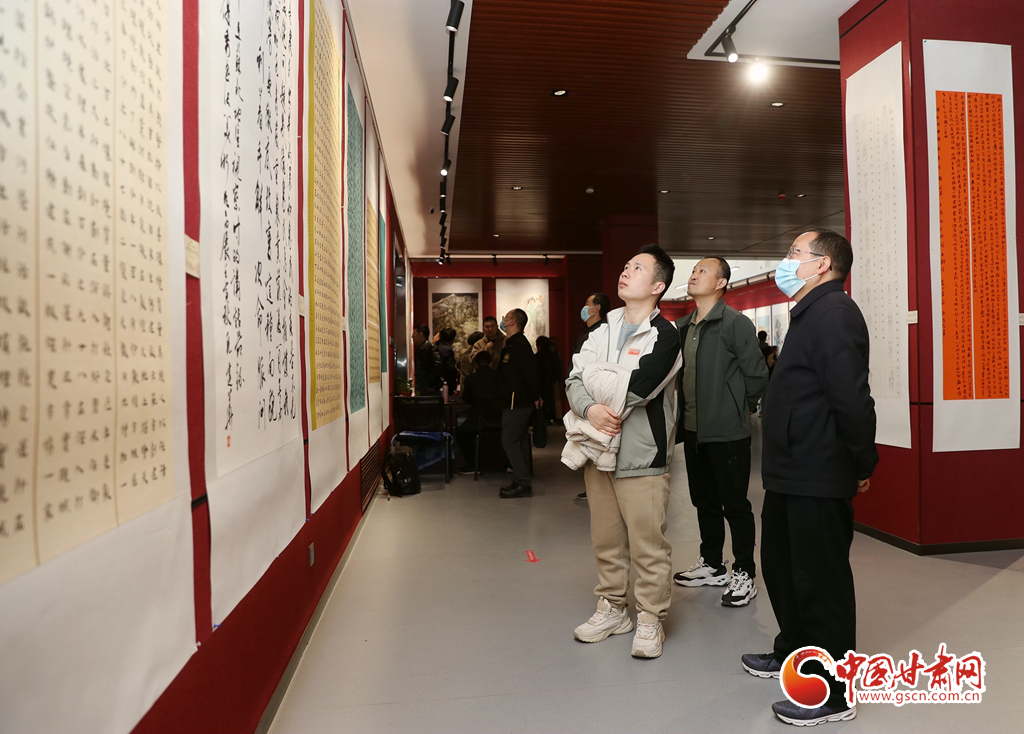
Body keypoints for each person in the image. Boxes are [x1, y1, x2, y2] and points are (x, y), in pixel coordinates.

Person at [741, 228, 877, 727]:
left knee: (820, 581)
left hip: (818, 470)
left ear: (821, 265)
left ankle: (833, 692)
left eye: (794, 252)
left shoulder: (835, 313)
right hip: (789, 470)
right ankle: (794, 652)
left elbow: (852, 399)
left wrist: (862, 462)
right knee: (782, 567)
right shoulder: (809, 312)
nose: (786, 260)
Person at [566, 244, 681, 659]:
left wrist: (599, 385)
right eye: (627, 265)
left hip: (641, 454)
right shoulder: (601, 330)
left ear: (658, 286)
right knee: (607, 540)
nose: (626, 271)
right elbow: (574, 378)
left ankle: (650, 618)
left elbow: (639, 387)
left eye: (638, 268)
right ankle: (613, 609)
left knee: (648, 545)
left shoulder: (666, 336)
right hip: (598, 447)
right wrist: (590, 409)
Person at [672, 257, 768, 608]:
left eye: (702, 271)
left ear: (721, 283)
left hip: (728, 433)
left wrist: (738, 408)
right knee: (704, 501)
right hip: (693, 430)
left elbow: (757, 376)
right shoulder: (683, 326)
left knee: (735, 505)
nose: (694, 274)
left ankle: (744, 572)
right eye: (693, 270)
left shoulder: (735, 323)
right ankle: (712, 563)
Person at [495, 308, 541, 498]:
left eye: (506, 318)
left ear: (513, 321)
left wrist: (536, 395)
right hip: (513, 401)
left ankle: (523, 482)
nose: (503, 321)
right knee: (519, 441)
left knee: (508, 440)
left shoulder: (519, 345)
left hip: (518, 402)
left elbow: (531, 373)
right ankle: (521, 479)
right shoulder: (512, 344)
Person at [572, 292, 610, 500]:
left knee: (594, 441)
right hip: (581, 393)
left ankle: (597, 488)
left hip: (592, 396)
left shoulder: (601, 332)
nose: (584, 307)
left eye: (588, 303)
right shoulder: (586, 331)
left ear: (597, 308)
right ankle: (592, 486)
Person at [456, 350, 499, 474]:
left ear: (476, 365)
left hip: (478, 421)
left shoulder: (470, 379)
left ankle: (473, 465)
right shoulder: (499, 376)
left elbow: (466, 399)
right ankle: (504, 463)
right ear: (491, 363)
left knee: (461, 433)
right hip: (500, 419)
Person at [534, 336, 559, 424]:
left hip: (540, 383)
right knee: (551, 400)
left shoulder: (537, 357)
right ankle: (552, 417)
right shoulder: (552, 356)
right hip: (551, 382)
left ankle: (542, 418)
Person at [412, 324, 439, 395]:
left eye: (414, 333)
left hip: (428, 387)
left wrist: (431, 384)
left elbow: (438, 366)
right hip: (422, 385)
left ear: (420, 335)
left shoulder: (430, 348)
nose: (412, 336)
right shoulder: (419, 349)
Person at [436, 327, 460, 395]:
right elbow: (450, 369)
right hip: (445, 383)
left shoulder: (436, 346)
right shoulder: (448, 350)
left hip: (436, 383)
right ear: (452, 339)